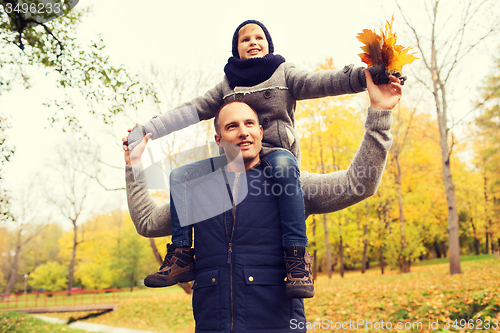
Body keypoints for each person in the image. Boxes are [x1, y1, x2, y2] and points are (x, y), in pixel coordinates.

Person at [123, 70, 402, 333]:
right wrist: (133, 167)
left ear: (260, 131)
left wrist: (380, 113)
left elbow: (358, 184)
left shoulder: (291, 186)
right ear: (219, 140)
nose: (243, 132)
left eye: (249, 124)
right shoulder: (196, 192)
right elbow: (147, 222)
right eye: (232, 126)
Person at [125, 19, 385, 297]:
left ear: (260, 130)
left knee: (285, 166)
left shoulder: (284, 77)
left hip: (279, 157)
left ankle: (296, 258)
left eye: (259, 37)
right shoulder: (226, 89)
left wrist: (368, 80)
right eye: (245, 39)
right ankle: (181, 255)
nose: (253, 42)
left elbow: (324, 82)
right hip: (215, 323)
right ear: (218, 138)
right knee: (180, 176)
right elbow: (191, 110)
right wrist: (140, 149)